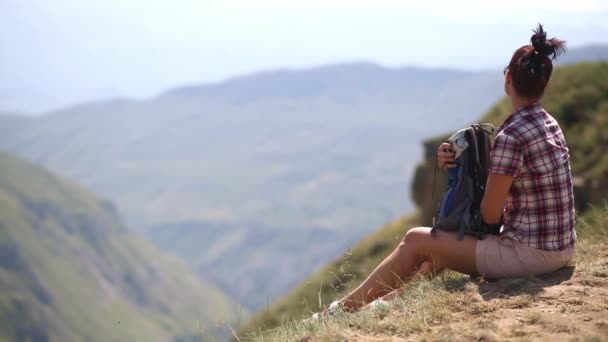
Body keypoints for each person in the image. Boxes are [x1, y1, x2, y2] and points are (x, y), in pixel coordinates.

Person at [317, 24, 576, 316]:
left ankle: (338, 312)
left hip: (532, 255)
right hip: (561, 246)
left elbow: (490, 215)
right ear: (545, 83)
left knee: (416, 239)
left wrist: (468, 184)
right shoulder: (548, 122)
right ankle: (384, 305)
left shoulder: (511, 136)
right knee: (439, 244)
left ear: (507, 78)